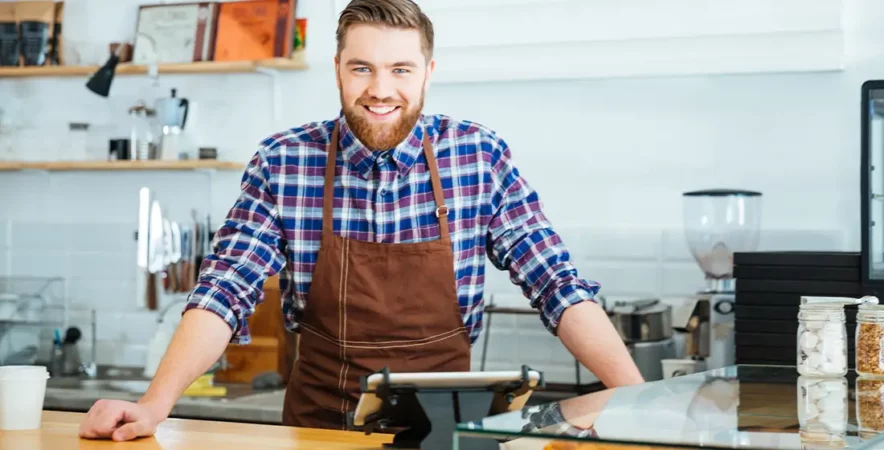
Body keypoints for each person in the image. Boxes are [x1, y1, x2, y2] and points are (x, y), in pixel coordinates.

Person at [78, 0, 644, 441]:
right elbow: (225, 290)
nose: (381, 89)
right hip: (319, 431)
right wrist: (156, 403)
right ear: (337, 70)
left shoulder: (479, 156)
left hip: (450, 434)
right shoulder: (283, 161)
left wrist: (637, 399)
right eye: (362, 68)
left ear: (428, 72)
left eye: (401, 68)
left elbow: (556, 284)